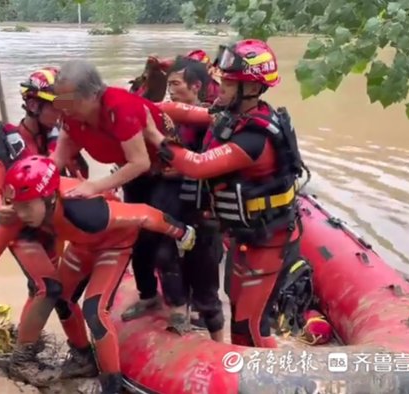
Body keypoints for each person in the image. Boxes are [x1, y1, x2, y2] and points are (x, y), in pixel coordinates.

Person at [0, 155, 197, 392]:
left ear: (48, 198)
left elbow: (144, 214)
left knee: (95, 312)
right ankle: (83, 357)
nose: (21, 214)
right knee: (60, 298)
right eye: (16, 207)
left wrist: (182, 232)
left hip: (114, 247)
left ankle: (112, 383)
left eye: (26, 207)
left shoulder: (84, 210)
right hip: (82, 247)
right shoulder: (27, 206)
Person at [142, 39, 307, 348]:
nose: (220, 87)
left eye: (229, 83)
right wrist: (145, 109)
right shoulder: (233, 115)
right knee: (241, 323)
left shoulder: (255, 137)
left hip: (270, 239)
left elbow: (197, 165)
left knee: (250, 325)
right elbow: (185, 112)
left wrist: (153, 135)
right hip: (250, 235)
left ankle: (269, 380)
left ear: (252, 89)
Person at [0, 67, 93, 380]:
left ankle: (82, 353)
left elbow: (80, 178)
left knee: (57, 291)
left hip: (54, 227)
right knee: (49, 287)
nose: (61, 113)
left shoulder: (65, 137)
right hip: (22, 228)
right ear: (33, 104)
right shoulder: (8, 140)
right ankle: (21, 359)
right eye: (55, 106)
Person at [50, 59, 181, 331]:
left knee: (162, 238)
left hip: (165, 172)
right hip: (133, 173)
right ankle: (149, 297)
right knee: (137, 237)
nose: (63, 107)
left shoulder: (120, 107)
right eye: (60, 99)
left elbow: (141, 162)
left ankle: (180, 307)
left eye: (70, 100)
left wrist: (96, 186)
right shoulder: (70, 115)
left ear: (93, 94)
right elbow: (57, 160)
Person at [121, 56, 226, 340]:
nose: (170, 89)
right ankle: (155, 298)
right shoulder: (165, 116)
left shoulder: (209, 121)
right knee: (145, 247)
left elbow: (209, 163)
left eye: (176, 84)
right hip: (165, 192)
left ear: (196, 86)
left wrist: (176, 170)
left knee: (176, 255)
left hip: (193, 198)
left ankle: (185, 309)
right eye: (169, 83)